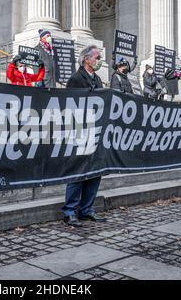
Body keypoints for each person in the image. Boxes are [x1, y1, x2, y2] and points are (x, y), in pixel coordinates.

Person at [62, 45, 106, 227]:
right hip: (80, 132)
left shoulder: (98, 80)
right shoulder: (75, 79)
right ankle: (70, 211)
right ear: (86, 59)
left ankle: (87, 209)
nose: (100, 61)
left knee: (95, 172)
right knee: (77, 173)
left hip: (96, 133)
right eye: (97, 57)